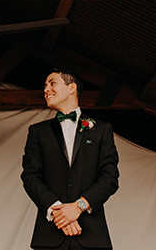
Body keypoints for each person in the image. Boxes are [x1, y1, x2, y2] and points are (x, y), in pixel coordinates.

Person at [21, 69, 120, 249]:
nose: (46, 90)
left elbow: (110, 176)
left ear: (71, 87)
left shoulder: (101, 129)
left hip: (92, 237)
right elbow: (30, 176)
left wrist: (79, 206)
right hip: (49, 238)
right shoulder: (37, 132)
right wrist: (59, 212)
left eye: (52, 83)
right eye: (45, 86)